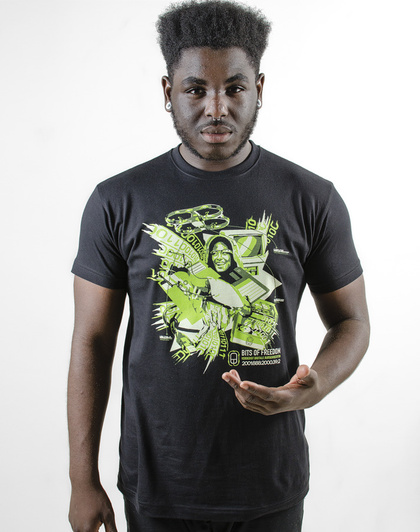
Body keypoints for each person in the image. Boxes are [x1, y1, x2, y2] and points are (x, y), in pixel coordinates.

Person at [67, 1, 370, 531]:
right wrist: (81, 480)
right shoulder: (117, 201)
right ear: (168, 92)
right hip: (158, 487)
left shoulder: (311, 198)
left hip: (269, 485)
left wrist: (316, 384)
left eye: (234, 88)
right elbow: (92, 341)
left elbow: (352, 321)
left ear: (259, 88)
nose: (216, 108)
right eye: (195, 90)